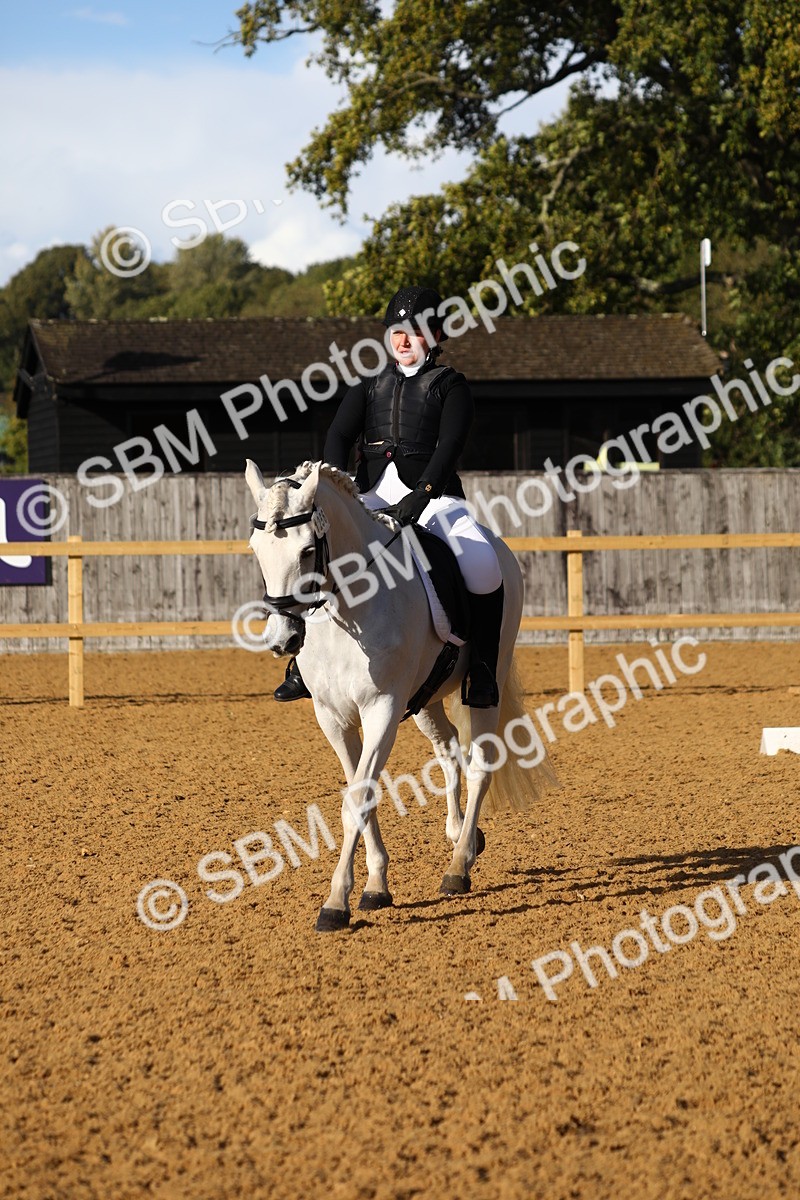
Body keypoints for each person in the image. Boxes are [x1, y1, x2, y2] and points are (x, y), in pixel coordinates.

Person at [274, 285, 504, 707]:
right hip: (371, 499)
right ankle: (302, 663)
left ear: (434, 335)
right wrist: (335, 489)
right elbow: (340, 435)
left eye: (414, 331)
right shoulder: (369, 387)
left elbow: (450, 446)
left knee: (484, 563)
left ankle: (482, 670)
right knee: (325, 553)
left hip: (435, 501)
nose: (402, 340)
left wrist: (424, 493)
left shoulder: (452, 386)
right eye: (396, 331)